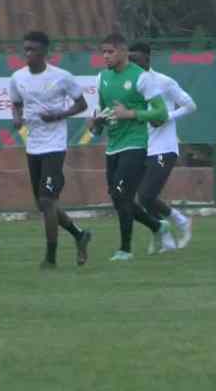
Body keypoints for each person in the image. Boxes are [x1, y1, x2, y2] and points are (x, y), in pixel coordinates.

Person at [9, 31, 92, 269]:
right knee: (45, 205)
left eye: (33, 50)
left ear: (45, 52)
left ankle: (51, 258)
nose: (28, 54)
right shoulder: (17, 77)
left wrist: (59, 114)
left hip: (55, 145)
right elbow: (16, 103)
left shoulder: (62, 77)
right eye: (25, 49)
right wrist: (16, 118)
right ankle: (79, 235)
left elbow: (81, 104)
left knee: (47, 200)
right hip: (33, 145)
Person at [89, 33, 175, 261]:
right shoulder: (102, 78)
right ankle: (158, 226)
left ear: (123, 52)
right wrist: (96, 124)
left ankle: (125, 250)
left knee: (121, 194)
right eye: (103, 52)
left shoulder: (141, 78)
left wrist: (131, 114)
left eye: (111, 51)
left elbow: (161, 112)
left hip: (136, 144)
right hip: (113, 145)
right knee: (119, 199)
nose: (106, 56)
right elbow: (103, 112)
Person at [128, 42, 196, 253]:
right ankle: (165, 239)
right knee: (141, 197)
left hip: (164, 148)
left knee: (146, 195)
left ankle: (181, 221)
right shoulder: (129, 86)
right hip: (140, 147)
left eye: (137, 60)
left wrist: (167, 117)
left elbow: (190, 105)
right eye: (130, 60)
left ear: (147, 59)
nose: (133, 64)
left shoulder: (164, 82)